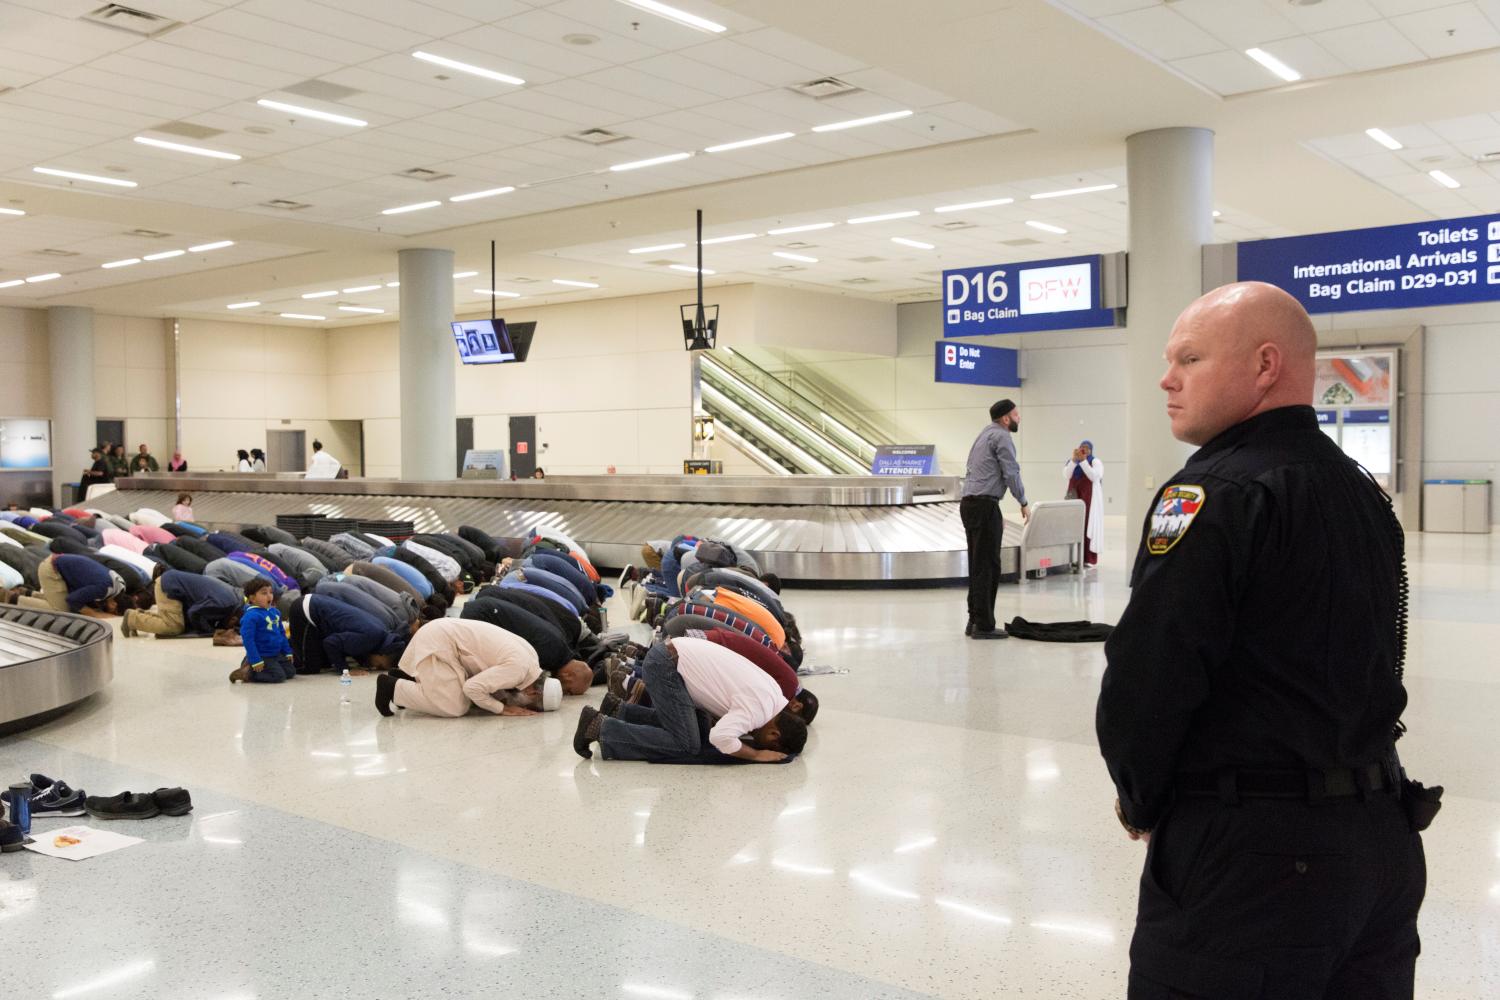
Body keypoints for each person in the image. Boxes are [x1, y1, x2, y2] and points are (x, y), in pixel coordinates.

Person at [1095, 282, 1431, 999]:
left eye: (1189, 357)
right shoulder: (1359, 489)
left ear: (1266, 365)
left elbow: (1148, 677)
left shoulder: (1214, 493)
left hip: (1253, 864)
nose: (1166, 378)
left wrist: (1140, 800)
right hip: (1381, 844)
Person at [574, 636, 806, 764]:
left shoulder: (774, 694)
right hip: (667, 665)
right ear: (774, 735)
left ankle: (619, 710)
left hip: (675, 653)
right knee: (687, 744)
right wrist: (756, 755)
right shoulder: (757, 711)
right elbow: (721, 739)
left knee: (697, 727)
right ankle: (600, 727)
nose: (754, 741)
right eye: (766, 744)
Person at [375, 617, 559, 719]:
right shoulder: (517, 670)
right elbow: (472, 688)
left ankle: (408, 680)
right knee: (456, 706)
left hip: (443, 634)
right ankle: (391, 687)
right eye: (531, 705)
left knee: (464, 700)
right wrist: (501, 709)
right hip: (439, 641)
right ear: (533, 693)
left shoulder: (532, 659)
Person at [960, 399, 1028, 640]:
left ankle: (974, 620)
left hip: (969, 504)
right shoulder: (1001, 437)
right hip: (985, 505)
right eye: (1016, 414)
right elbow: (1011, 472)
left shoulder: (983, 435)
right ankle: (984, 625)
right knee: (989, 565)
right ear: (1006, 419)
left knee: (978, 564)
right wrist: (1023, 501)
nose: (1019, 418)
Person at [122, 569, 239, 638]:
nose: (229, 629)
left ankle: (140, 615)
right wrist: (209, 632)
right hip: (170, 586)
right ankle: (132, 619)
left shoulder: (232, 601)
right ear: (233, 619)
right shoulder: (224, 604)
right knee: (174, 627)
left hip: (173, 582)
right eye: (232, 627)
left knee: (177, 622)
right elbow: (193, 612)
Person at [230, 578, 295, 683]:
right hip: (262, 654)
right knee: (278, 677)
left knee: (290, 672)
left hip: (275, 653)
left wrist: (287, 651)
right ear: (252, 598)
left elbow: (281, 634)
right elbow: (248, 640)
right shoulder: (251, 616)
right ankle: (248, 672)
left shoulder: (275, 612)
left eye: (271, 592)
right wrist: (255, 659)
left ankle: (255, 667)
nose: (269, 596)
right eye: (264, 593)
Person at [1063, 440, 1103, 567]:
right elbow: (1066, 475)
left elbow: (1094, 476)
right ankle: (1073, 557)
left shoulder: (1095, 462)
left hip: (1089, 498)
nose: (1084, 450)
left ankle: (1087, 559)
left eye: (1086, 448)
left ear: (1091, 450)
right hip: (1074, 496)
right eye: (1081, 448)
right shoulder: (1073, 462)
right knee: (1072, 525)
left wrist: (1084, 461)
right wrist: (1074, 461)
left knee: (1087, 526)